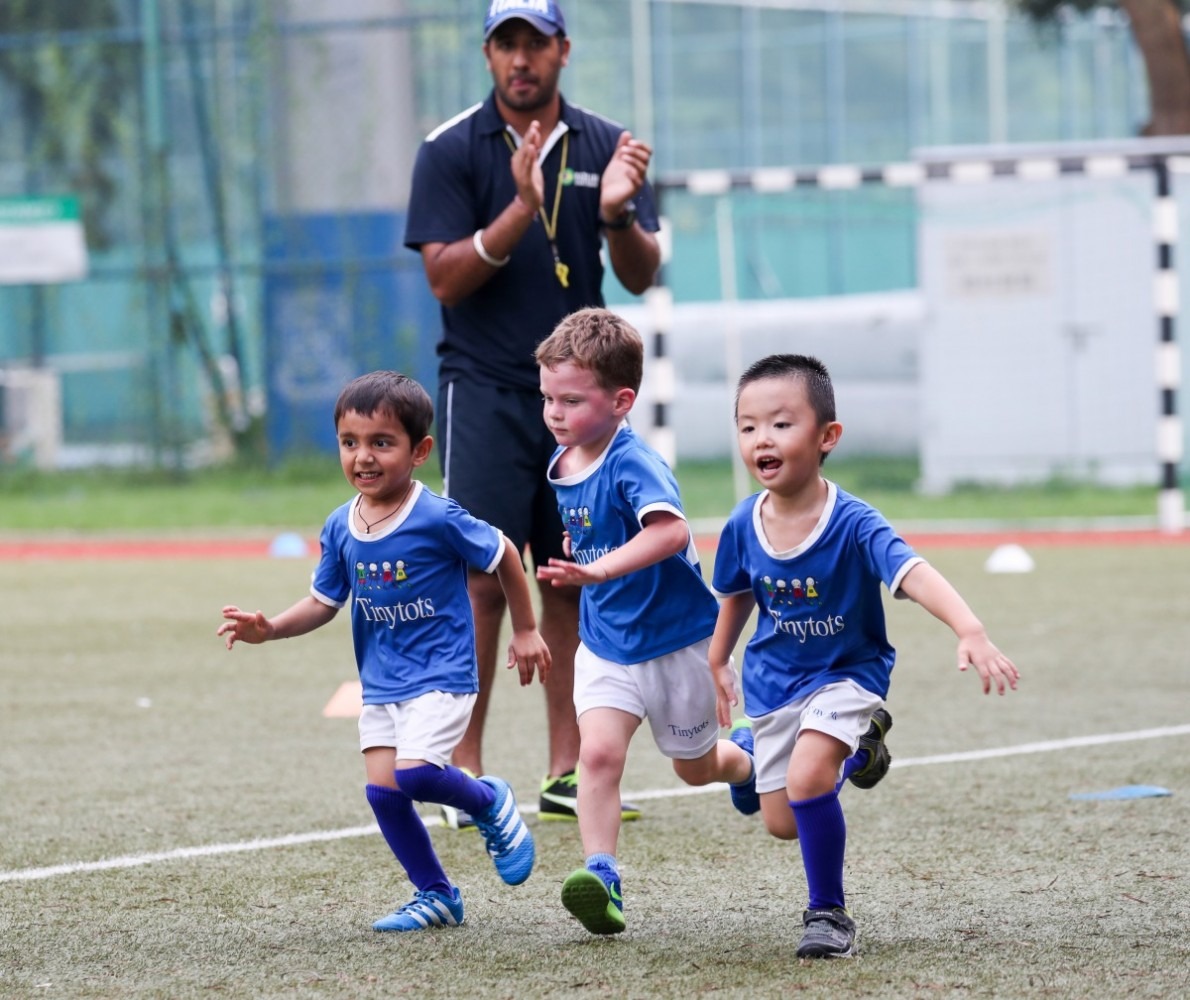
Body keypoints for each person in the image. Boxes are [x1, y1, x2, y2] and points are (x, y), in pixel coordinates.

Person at [403, 0, 661, 826]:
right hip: (483, 387)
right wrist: (520, 207)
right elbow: (445, 279)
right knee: (483, 577)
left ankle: (567, 770)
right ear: (487, 54)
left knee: (572, 578)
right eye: (506, 43)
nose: (521, 59)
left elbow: (641, 275)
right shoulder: (450, 149)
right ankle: (466, 771)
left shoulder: (607, 143)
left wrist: (616, 212)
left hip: (580, 400)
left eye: (536, 44)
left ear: (563, 50)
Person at [708, 354, 1020, 959]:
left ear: (827, 436)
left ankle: (828, 914)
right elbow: (737, 594)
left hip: (847, 674)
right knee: (783, 822)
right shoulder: (743, 522)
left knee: (807, 777)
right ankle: (859, 752)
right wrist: (719, 660)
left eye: (780, 424)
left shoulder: (853, 522)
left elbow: (913, 573)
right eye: (748, 427)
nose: (762, 439)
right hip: (774, 683)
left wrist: (970, 628)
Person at [216, 370, 551, 933]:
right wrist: (269, 628)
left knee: (416, 775)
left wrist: (525, 628)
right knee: (385, 793)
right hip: (382, 683)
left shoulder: (438, 516)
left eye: (381, 442)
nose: (363, 457)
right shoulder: (340, 526)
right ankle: (437, 895)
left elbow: (504, 555)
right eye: (350, 442)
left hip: (442, 674)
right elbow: (323, 602)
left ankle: (488, 801)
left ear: (420, 451)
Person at [533, 307, 756, 935]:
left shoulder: (635, 462)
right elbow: (598, 530)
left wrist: (599, 569)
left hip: (675, 643)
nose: (554, 413)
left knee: (695, 769)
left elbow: (670, 532)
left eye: (571, 401)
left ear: (622, 401)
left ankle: (745, 762)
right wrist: (585, 554)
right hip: (606, 643)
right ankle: (602, 876)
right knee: (598, 755)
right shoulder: (566, 458)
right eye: (547, 398)